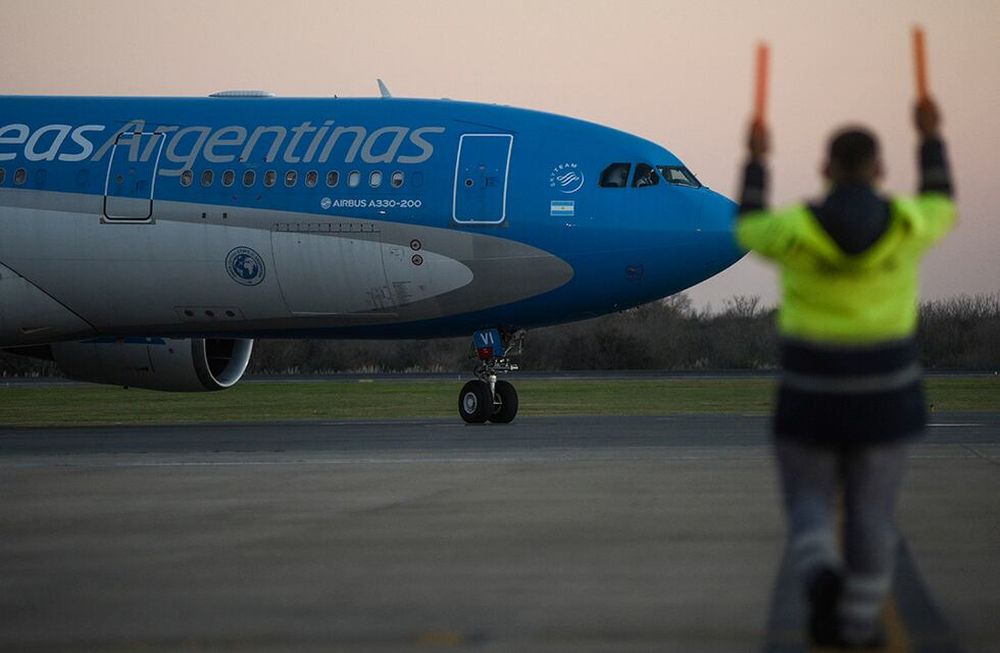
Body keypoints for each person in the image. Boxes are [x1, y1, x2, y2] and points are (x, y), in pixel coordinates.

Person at [735, 99, 955, 648]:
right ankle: (857, 624)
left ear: (825, 169)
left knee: (809, 505)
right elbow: (941, 202)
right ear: (880, 169)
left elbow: (749, 226)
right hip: (886, 398)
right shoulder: (908, 224)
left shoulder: (794, 229)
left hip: (811, 396)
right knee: (873, 515)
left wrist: (756, 159)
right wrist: (930, 137)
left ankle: (821, 580)